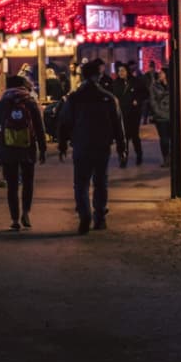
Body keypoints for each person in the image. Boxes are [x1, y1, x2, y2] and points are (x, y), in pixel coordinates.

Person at [58, 59, 127, 235]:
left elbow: (65, 122)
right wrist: (121, 146)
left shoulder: (74, 98)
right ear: (98, 75)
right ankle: (100, 217)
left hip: (81, 144)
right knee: (100, 181)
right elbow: (118, 124)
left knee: (81, 183)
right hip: (102, 145)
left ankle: (84, 215)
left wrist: (62, 144)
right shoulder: (108, 98)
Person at [0, 75, 47, 230]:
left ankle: (14, 219)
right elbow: (40, 127)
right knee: (28, 182)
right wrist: (43, 148)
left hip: (7, 149)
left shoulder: (2, 103)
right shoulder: (30, 102)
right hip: (28, 148)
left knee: (12, 185)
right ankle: (26, 212)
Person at [111, 64, 143, 166]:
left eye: (123, 70)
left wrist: (137, 100)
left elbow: (144, 93)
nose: (121, 73)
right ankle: (123, 158)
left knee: (134, 136)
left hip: (133, 114)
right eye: (119, 71)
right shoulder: (116, 83)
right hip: (121, 114)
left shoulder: (135, 82)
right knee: (123, 137)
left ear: (127, 71)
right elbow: (112, 96)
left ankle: (139, 155)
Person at [148, 67, 172, 167]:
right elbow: (152, 101)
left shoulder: (174, 84)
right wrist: (158, 112)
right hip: (160, 116)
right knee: (164, 138)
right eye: (160, 73)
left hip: (172, 115)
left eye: (162, 73)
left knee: (172, 138)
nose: (159, 74)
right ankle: (166, 158)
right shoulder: (154, 86)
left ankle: (172, 157)